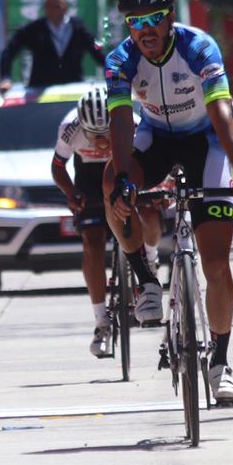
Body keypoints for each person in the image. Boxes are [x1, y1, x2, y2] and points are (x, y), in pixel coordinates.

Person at [102, 0, 233, 403]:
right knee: (109, 181)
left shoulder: (199, 47)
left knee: (216, 265)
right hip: (155, 138)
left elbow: (221, 110)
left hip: (204, 143)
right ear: (128, 26)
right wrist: (123, 179)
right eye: (136, 21)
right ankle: (145, 280)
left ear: (170, 18)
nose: (146, 29)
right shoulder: (120, 61)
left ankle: (221, 361)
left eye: (155, 18)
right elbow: (120, 121)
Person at [51, 86, 140, 357]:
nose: (101, 143)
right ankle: (102, 321)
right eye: (95, 136)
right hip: (88, 178)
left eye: (106, 135)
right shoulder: (70, 127)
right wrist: (71, 193)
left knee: (141, 216)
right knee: (92, 241)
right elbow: (57, 167)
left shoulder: (131, 124)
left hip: (122, 168)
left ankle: (145, 269)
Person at [0, 0, 105, 91]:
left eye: (57, 6)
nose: (53, 10)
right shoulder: (34, 29)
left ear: (65, 8)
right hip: (40, 89)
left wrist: (113, 72)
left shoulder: (78, 28)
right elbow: (9, 52)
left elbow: (97, 51)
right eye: (49, 6)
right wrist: (6, 78)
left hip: (73, 88)